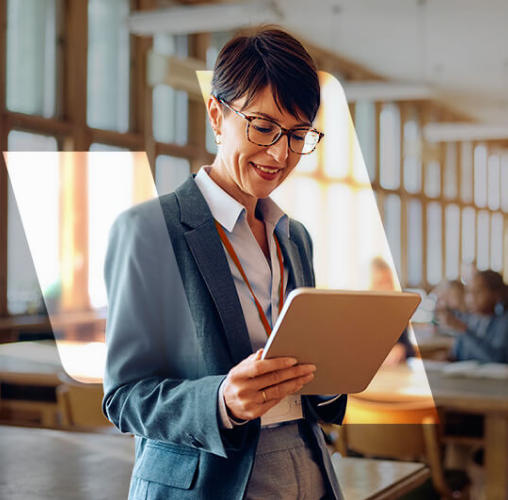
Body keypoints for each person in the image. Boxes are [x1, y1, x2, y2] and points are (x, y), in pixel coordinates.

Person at [102, 27, 347, 500]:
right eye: (263, 127)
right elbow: (123, 398)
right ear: (217, 114)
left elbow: (312, 388)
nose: (280, 153)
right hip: (209, 482)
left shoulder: (296, 239)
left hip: (307, 470)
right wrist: (220, 403)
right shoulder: (150, 230)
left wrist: (334, 381)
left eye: (298, 135)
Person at [437, 270, 508, 364]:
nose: (471, 298)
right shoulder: (468, 319)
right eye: (469, 292)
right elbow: (459, 355)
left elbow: (497, 360)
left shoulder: (504, 323)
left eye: (478, 292)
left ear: (496, 294)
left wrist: (464, 330)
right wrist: (448, 358)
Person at [368, 257, 415, 365]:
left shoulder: (397, 313)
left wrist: (401, 350)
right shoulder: (361, 315)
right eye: (381, 283)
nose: (386, 287)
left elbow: (411, 351)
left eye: (388, 281)